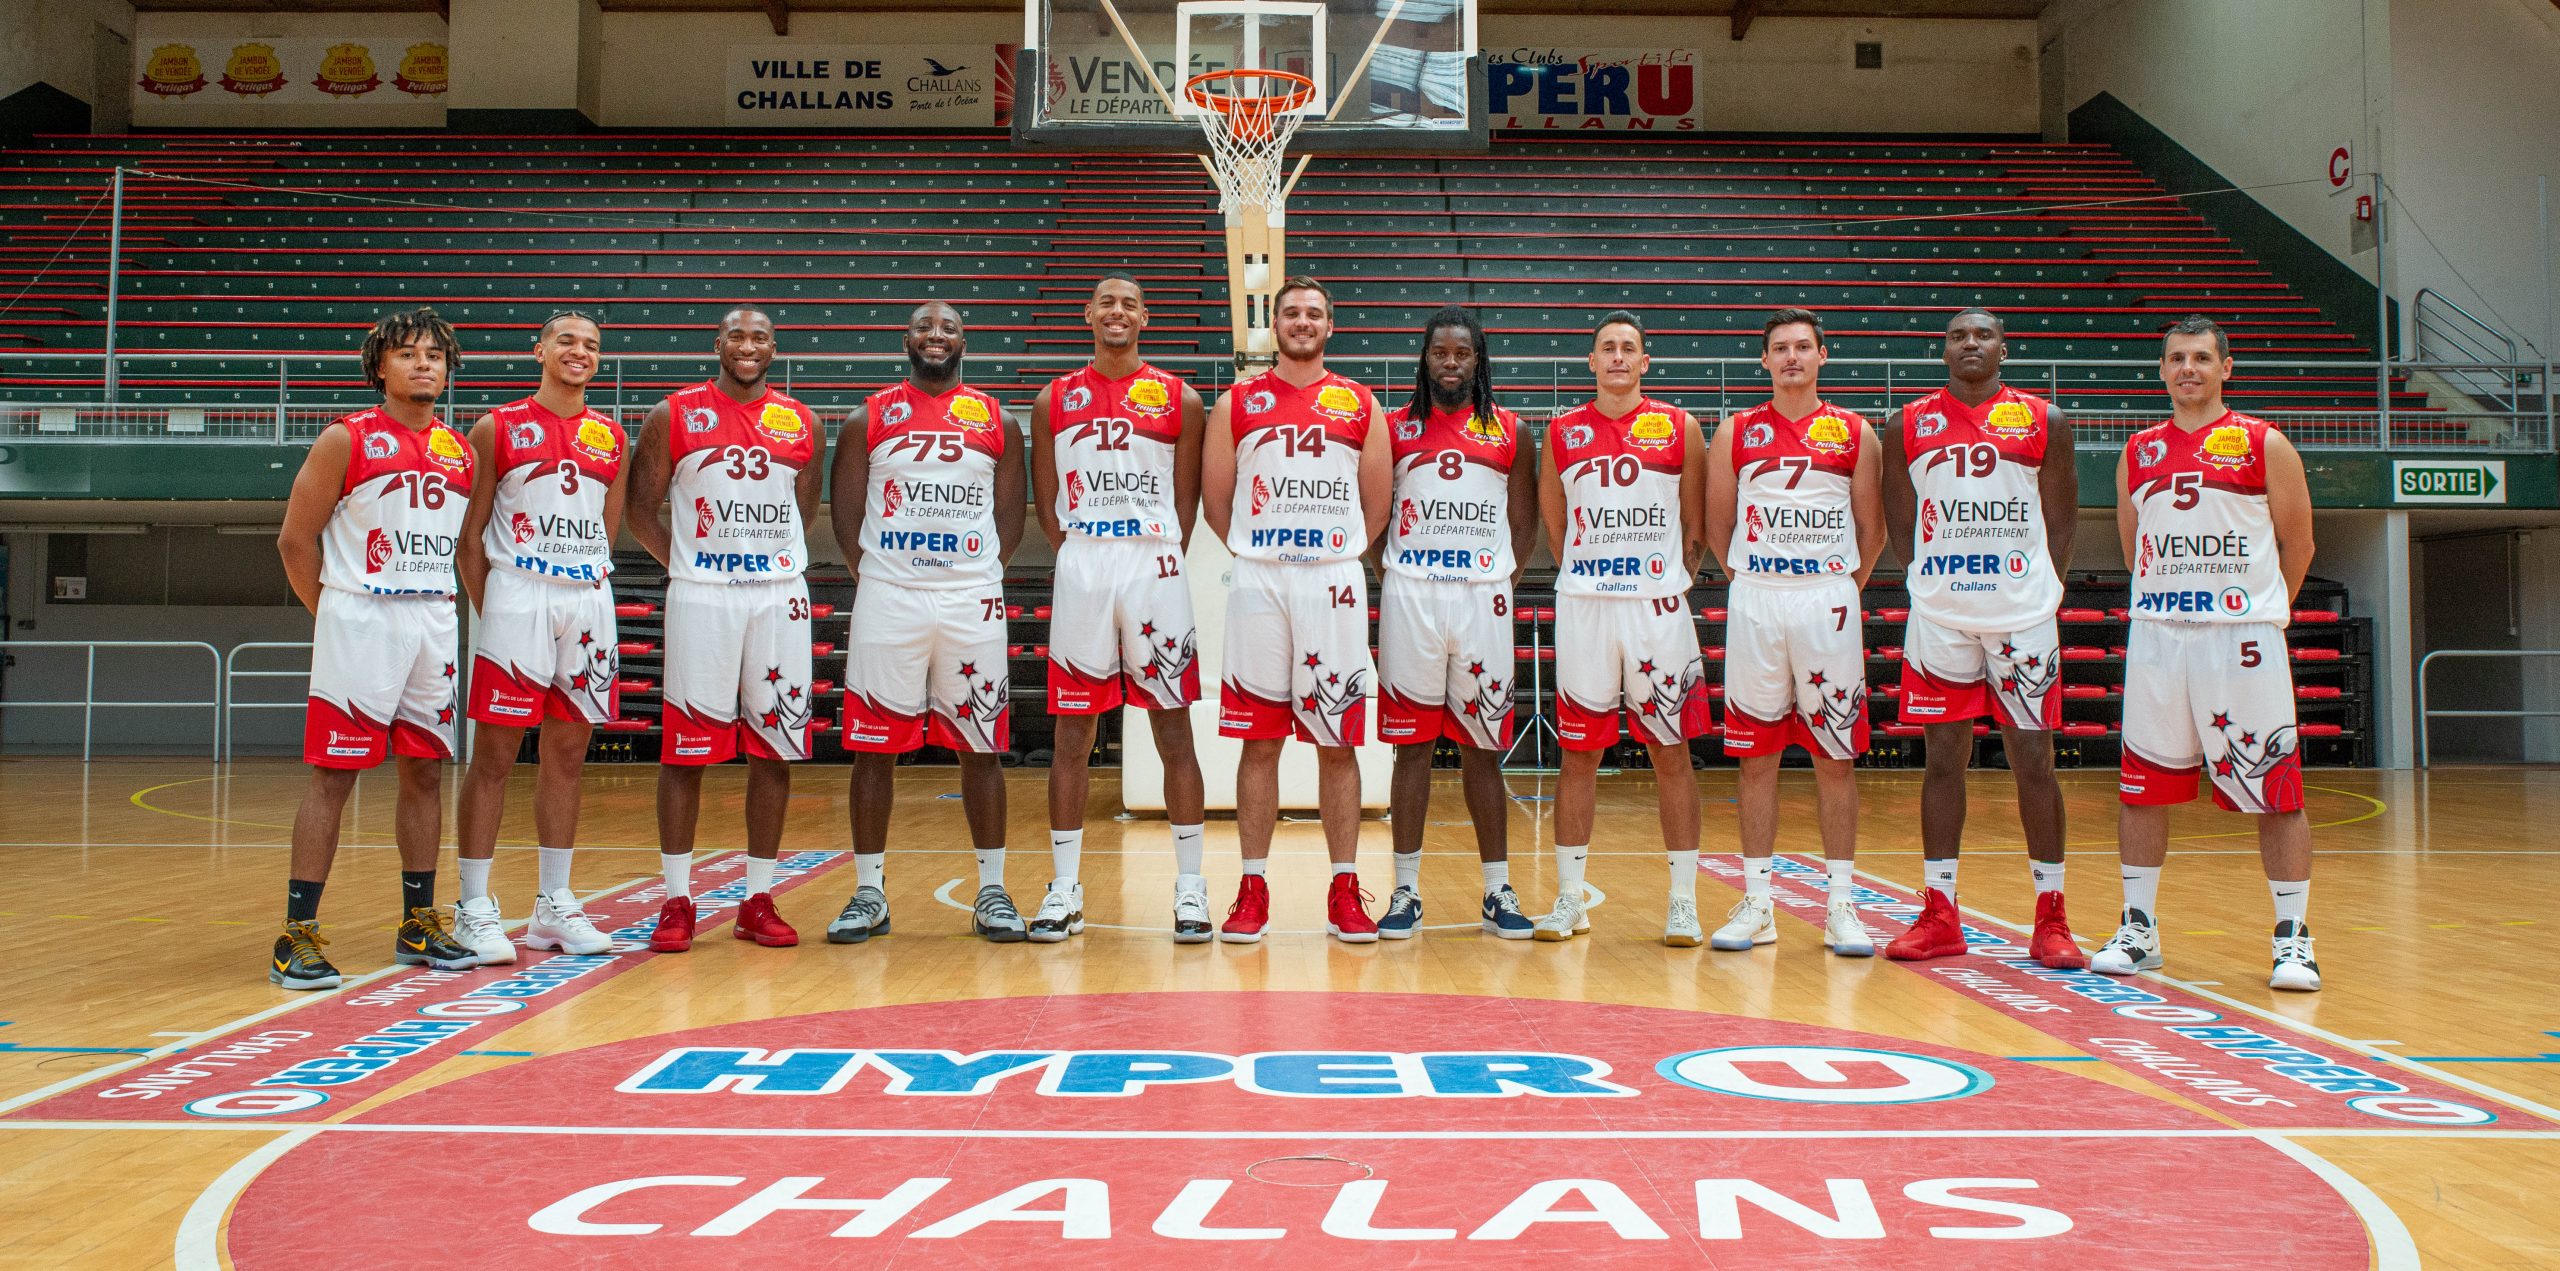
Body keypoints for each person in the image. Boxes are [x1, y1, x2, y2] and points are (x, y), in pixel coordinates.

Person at [2098, 315, 2322, 992]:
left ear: (2227, 366)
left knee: (2275, 790)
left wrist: (2253, 612)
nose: (2187, 368)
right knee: (2141, 787)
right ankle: (2139, 928)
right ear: (2161, 371)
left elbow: (2300, 544)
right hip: (2161, 636)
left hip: (2242, 638)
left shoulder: (2264, 443)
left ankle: (2293, 940)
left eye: (2200, 357)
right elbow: (2135, 548)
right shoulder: (2136, 450)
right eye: (2175, 358)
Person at [270, 306, 480, 988]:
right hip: (361, 615)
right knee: (335, 775)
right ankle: (295, 934)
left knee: (424, 773)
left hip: (431, 620)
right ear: (380, 368)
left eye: (435, 355)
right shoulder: (345, 438)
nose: (425, 364)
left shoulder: (459, 449)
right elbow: (294, 541)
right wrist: (334, 611)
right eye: (409, 353)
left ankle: (417, 921)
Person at [1880, 307, 2084, 968]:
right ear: (1944, 350)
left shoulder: (2044, 419)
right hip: (1941, 614)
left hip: (2021, 614)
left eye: (1983, 334)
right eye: (1958, 335)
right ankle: (1941, 912)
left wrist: (2035, 590)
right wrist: (1934, 579)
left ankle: (2051, 916)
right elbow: (1900, 523)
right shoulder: (1906, 424)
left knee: (2033, 760)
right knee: (1943, 760)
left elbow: (2061, 520)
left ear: (2003, 347)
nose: (1971, 343)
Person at [825, 302, 1030, 944]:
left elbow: (1010, 517)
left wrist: (971, 572)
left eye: (947, 328)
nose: (934, 337)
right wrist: (885, 576)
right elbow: (847, 513)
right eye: (923, 327)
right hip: (892, 595)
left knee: (981, 745)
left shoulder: (997, 419)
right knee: (873, 748)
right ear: (906, 340)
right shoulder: (869, 416)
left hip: (971, 596)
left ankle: (992, 890)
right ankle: (868, 891)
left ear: (965, 340)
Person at [625, 305, 824, 953]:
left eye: (760, 336)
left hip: (778, 599)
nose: (747, 346)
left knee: (775, 747)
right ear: (718, 343)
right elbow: (638, 510)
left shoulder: (802, 421)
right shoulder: (673, 413)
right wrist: (690, 564)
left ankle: (758, 899)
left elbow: (805, 510)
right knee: (686, 751)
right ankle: (677, 900)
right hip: (702, 597)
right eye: (736, 335)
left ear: (774, 347)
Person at [1201, 276, 1392, 943]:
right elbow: (1216, 501)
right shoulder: (1237, 401)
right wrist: (1262, 550)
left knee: (1336, 741)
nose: (1302, 322)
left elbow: (1377, 505)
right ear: (1273, 324)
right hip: (1260, 580)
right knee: (1260, 739)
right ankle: (1252, 887)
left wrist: (1331, 552)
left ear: (1330, 324)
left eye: (1314, 312)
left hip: (1333, 580)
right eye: (1291, 313)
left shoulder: (1359, 401)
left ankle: (1345, 888)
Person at [1029, 275, 1212, 942]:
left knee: (1172, 727)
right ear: (1087, 312)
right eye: (1105, 300)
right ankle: (1064, 887)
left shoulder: (1180, 397)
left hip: (1153, 560)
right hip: (1084, 558)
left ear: (1145, 316)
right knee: (1072, 732)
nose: (1116, 311)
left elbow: (1185, 503)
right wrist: (1083, 552)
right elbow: (1048, 505)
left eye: (1129, 302)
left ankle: (1190, 888)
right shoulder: (1055, 397)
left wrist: (1150, 551)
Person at [1705, 307, 1884, 958]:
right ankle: (1758, 901)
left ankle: (1842, 905)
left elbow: (1874, 529)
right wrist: (1753, 578)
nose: (1791, 358)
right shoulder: (1736, 431)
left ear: (1822, 355)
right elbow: (1715, 523)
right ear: (1764, 360)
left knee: (1835, 758)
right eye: (1779, 348)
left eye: (1803, 347)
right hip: (1757, 595)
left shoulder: (1856, 432)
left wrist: (1837, 587)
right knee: (1758, 757)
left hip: (1827, 598)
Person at [447, 311, 625, 965]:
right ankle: (472, 905)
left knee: (568, 757)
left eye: (591, 345)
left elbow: (607, 531)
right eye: (567, 341)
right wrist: (494, 610)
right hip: (518, 593)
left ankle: (553, 904)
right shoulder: (497, 427)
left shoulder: (610, 436)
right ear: (540, 350)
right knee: (494, 756)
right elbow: (469, 539)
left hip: (586, 596)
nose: (580, 352)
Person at [1535, 310, 1711, 945]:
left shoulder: (1680, 426)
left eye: (1627, 348)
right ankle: (1567, 899)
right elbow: (1557, 530)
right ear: (1591, 361)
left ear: (1644, 361)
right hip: (1586, 603)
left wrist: (1659, 576)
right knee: (1578, 753)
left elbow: (1694, 530)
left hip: (1656, 605)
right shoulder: (1561, 431)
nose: (1616, 357)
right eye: (1605, 347)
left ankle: (1684, 901)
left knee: (1672, 752)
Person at [1375, 306, 1539, 939]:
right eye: (1439, 352)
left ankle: (1498, 890)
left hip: (1480, 599)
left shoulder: (1511, 431)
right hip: (1412, 595)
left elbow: (1524, 524)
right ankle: (1405, 891)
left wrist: (1496, 577)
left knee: (1482, 749)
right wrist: (1391, 570)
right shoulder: (1391, 429)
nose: (1449, 363)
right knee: (1410, 747)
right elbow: (1375, 512)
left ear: (1479, 360)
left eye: (1461, 353)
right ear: (1425, 358)